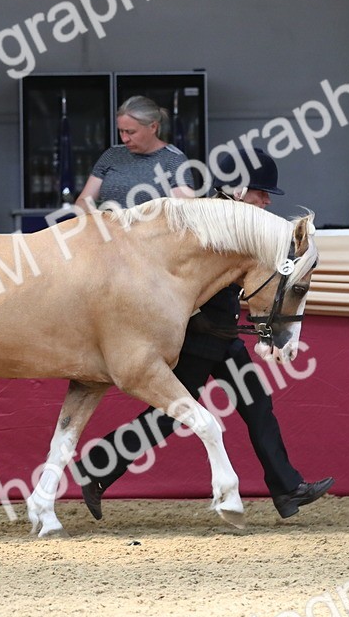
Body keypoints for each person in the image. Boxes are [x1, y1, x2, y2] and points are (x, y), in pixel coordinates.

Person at [71, 131, 334, 520]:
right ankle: (99, 465)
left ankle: (287, 489)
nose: (266, 201)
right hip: (198, 338)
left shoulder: (242, 225)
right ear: (239, 188)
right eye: (262, 193)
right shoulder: (202, 220)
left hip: (224, 337)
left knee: (257, 406)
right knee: (166, 418)